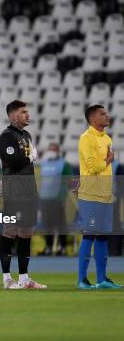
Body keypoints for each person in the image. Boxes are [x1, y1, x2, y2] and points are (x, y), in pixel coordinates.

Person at [0, 100, 47, 289]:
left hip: (28, 192)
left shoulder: (26, 135)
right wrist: (30, 157)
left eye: (28, 111)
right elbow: (12, 161)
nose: (28, 115)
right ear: (12, 115)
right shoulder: (6, 136)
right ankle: (7, 278)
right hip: (14, 192)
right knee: (10, 232)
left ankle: (24, 279)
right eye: (23, 112)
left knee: (26, 233)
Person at [76, 105, 121, 289]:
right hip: (90, 195)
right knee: (90, 235)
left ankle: (102, 279)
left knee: (102, 236)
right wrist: (109, 160)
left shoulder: (107, 138)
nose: (107, 116)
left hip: (104, 195)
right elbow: (93, 167)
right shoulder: (86, 139)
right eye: (103, 114)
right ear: (93, 118)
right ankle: (82, 280)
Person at [39, 142, 73, 255]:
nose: (51, 152)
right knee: (47, 224)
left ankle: (62, 247)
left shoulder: (64, 164)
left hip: (58, 199)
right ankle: (48, 247)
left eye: (53, 150)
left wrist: (63, 196)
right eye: (50, 149)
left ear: (58, 151)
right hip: (44, 198)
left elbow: (69, 182)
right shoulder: (43, 164)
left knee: (60, 224)